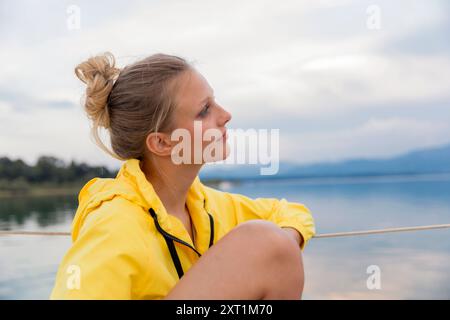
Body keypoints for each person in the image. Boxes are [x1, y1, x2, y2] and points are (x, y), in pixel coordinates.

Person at [50, 52, 315, 299]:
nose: (225, 115)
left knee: (268, 242)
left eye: (215, 102)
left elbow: (291, 213)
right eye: (204, 110)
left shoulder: (203, 205)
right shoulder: (115, 225)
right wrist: (270, 249)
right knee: (265, 241)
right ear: (162, 143)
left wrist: (278, 249)